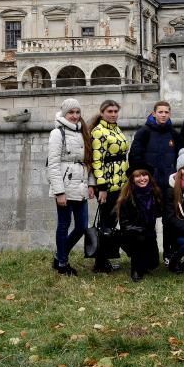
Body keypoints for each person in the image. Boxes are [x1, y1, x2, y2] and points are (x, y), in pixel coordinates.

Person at [47, 98, 91, 276]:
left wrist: (91, 185)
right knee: (64, 225)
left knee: (81, 226)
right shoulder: (57, 133)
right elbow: (53, 164)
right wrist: (59, 192)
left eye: (77, 112)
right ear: (64, 113)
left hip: (81, 185)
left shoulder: (83, 132)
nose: (74, 116)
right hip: (65, 186)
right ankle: (63, 264)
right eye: (71, 112)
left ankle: (59, 255)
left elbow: (88, 161)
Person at [88, 99, 129, 273]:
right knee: (105, 223)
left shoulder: (116, 128)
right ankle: (100, 262)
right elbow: (97, 160)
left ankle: (105, 259)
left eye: (115, 111)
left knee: (112, 223)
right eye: (109, 111)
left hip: (121, 183)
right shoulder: (99, 132)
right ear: (102, 112)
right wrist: (101, 187)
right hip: (108, 185)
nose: (113, 114)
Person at [115, 163, 163, 282]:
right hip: (133, 233)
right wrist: (139, 230)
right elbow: (125, 224)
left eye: (144, 175)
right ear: (132, 179)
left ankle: (145, 262)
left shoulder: (154, 193)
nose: (142, 179)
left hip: (149, 233)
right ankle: (135, 269)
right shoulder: (127, 197)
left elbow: (159, 212)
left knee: (153, 264)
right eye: (137, 176)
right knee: (139, 241)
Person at [129, 101, 179, 199]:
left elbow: (178, 157)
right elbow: (135, 157)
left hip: (169, 185)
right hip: (149, 184)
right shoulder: (144, 132)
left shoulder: (174, 134)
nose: (163, 115)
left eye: (166, 112)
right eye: (160, 112)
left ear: (170, 114)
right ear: (154, 114)